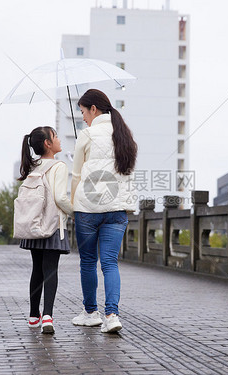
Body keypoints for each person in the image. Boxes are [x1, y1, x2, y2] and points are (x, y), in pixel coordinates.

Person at [71, 89, 137, 333]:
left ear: (94, 109)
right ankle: (112, 316)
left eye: (83, 112)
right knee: (110, 263)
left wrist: (72, 203)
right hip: (117, 210)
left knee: (88, 262)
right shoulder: (125, 135)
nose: (83, 118)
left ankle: (91, 313)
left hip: (88, 209)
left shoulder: (87, 134)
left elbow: (76, 174)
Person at [18, 126, 73, 334]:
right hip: (52, 226)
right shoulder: (59, 166)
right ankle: (48, 316)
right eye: (56, 136)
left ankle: (34, 316)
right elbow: (60, 198)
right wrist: (75, 212)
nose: (59, 139)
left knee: (37, 269)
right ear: (48, 144)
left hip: (33, 224)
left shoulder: (32, 166)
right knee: (51, 269)